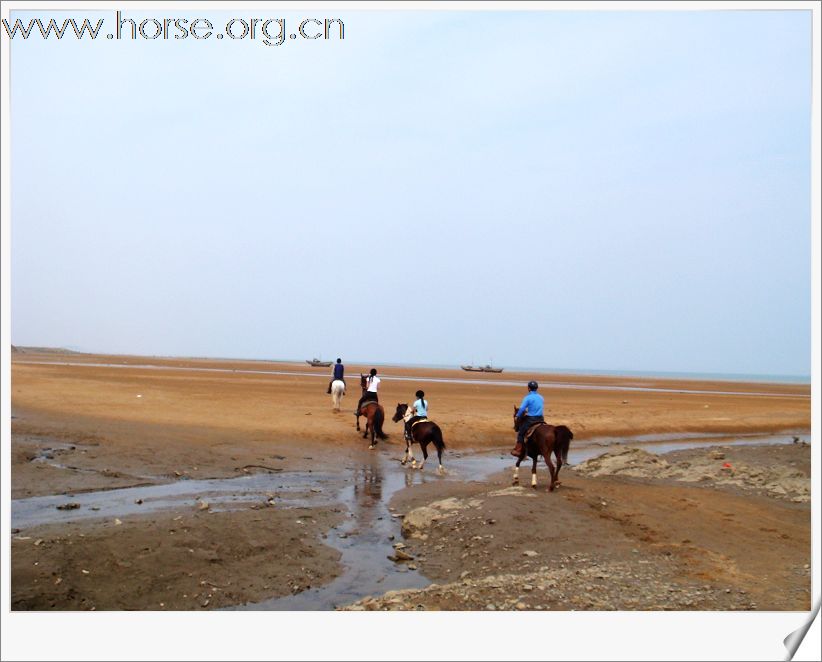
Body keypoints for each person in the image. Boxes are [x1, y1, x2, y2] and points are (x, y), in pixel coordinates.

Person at [511, 380, 544, 457]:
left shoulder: (527, 398)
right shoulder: (541, 397)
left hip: (531, 419)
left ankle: (518, 450)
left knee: (521, 433)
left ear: (529, 388)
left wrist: (518, 415)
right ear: (537, 388)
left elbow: (522, 408)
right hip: (541, 418)